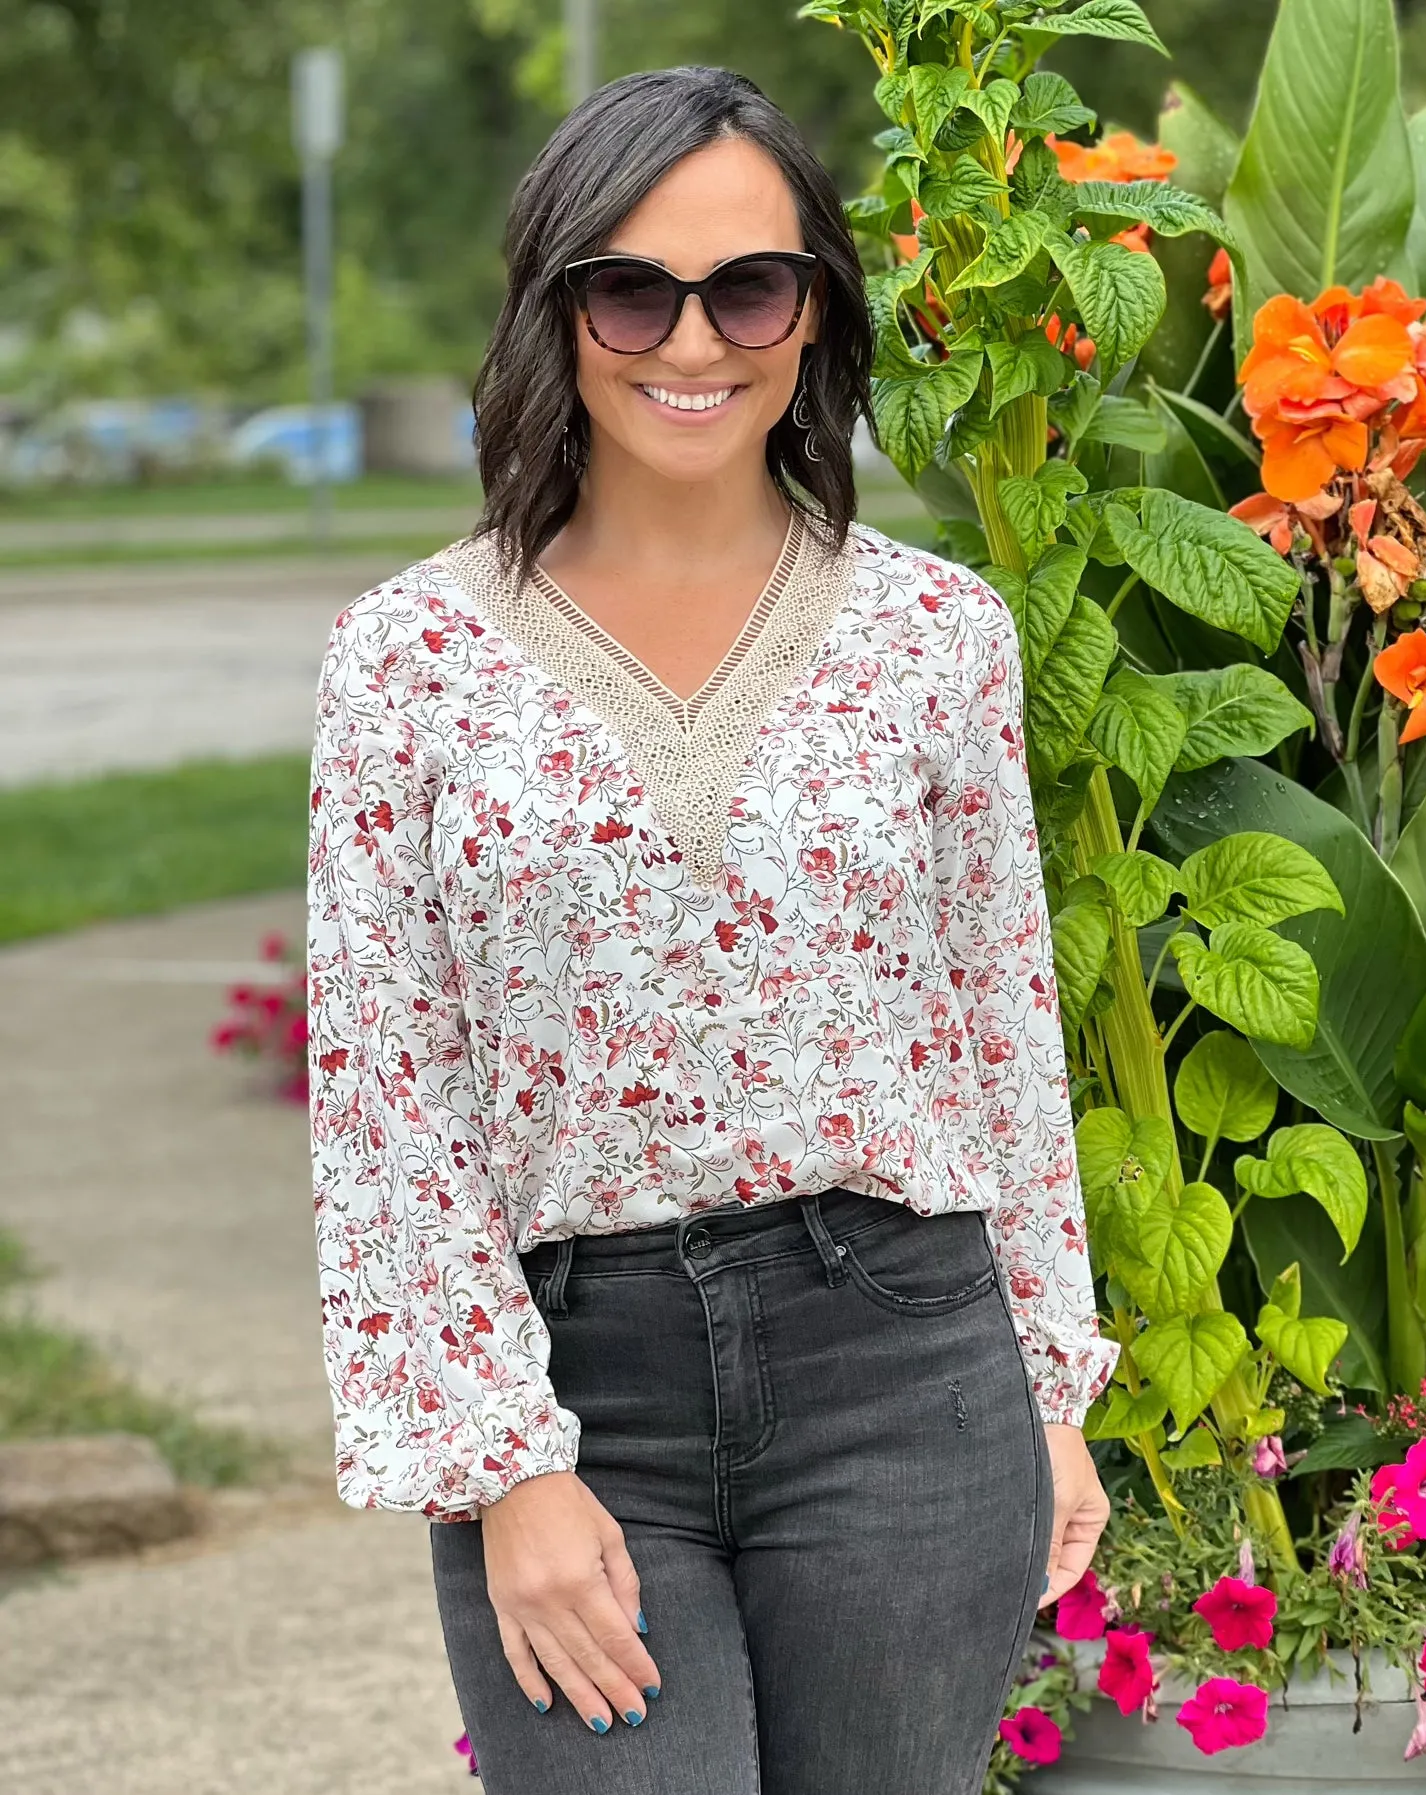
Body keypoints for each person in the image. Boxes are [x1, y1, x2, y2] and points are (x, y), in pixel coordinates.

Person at [306, 64, 1117, 1795]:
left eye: (749, 286)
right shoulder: (407, 661)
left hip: (904, 1369)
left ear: (814, 310)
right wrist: (503, 1461)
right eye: (631, 288)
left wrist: (1053, 1384)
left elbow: (1002, 1029)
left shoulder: (936, 635)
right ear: (557, 308)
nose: (694, 342)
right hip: (574, 1389)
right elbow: (392, 1092)